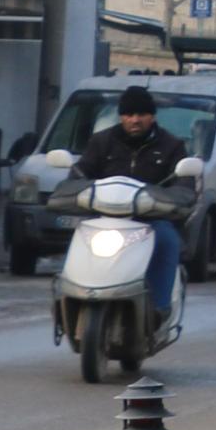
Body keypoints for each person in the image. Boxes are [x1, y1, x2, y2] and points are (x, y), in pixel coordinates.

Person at [75, 84, 192, 332]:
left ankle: (159, 308)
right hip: (104, 220)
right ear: (121, 116)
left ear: (152, 116)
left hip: (150, 221)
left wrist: (174, 198)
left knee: (167, 239)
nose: (135, 120)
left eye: (141, 114)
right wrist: (71, 189)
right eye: (128, 114)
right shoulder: (102, 142)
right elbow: (79, 174)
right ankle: (71, 294)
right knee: (78, 237)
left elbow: (185, 185)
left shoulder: (172, 146)